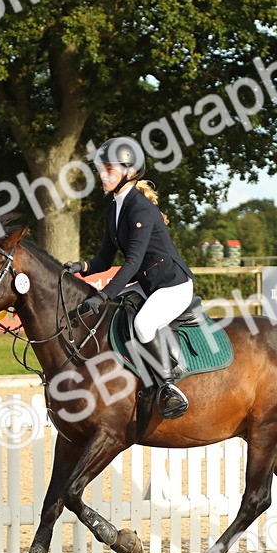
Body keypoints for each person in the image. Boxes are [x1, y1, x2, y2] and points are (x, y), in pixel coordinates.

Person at [63, 137, 195, 419]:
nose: (102, 175)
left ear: (130, 172)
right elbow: (104, 259)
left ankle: (169, 386)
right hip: (149, 285)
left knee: (144, 324)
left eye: (109, 169)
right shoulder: (114, 207)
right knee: (113, 316)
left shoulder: (141, 209)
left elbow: (132, 262)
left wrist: (105, 294)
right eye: (100, 169)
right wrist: (80, 267)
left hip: (172, 285)